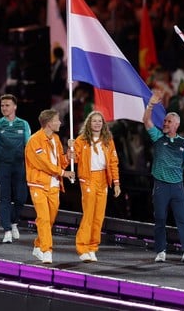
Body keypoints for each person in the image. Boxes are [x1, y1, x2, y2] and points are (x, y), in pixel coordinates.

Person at [143, 92, 184, 263]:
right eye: (165, 121)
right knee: (160, 218)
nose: (165, 123)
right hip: (161, 185)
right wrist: (150, 105)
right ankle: (161, 251)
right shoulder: (158, 137)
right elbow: (146, 121)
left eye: (169, 121)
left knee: (183, 219)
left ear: (176, 125)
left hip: (178, 187)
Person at [25, 109, 75, 264]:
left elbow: (59, 160)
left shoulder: (56, 139)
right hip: (38, 184)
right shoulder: (35, 140)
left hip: (54, 185)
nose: (60, 122)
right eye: (57, 120)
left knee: (50, 219)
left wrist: (68, 155)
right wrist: (63, 172)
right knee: (44, 218)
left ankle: (38, 245)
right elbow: (44, 163)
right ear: (49, 123)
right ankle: (47, 250)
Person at [70, 110, 121, 262]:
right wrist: (70, 150)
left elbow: (113, 163)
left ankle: (92, 247)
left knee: (99, 216)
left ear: (103, 124)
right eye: (94, 121)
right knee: (89, 215)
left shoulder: (108, 141)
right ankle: (82, 247)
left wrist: (116, 183)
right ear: (89, 123)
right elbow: (74, 159)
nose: (97, 123)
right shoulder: (81, 140)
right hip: (88, 179)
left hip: (103, 180)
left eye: (100, 121)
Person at [0, 93, 31, 243]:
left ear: (15, 107)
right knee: (5, 198)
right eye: (2, 106)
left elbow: (29, 149)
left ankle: (14, 222)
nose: (4, 108)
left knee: (20, 198)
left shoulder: (23, 124)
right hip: (2, 166)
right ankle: (7, 230)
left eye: (7, 105)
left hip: (19, 166)